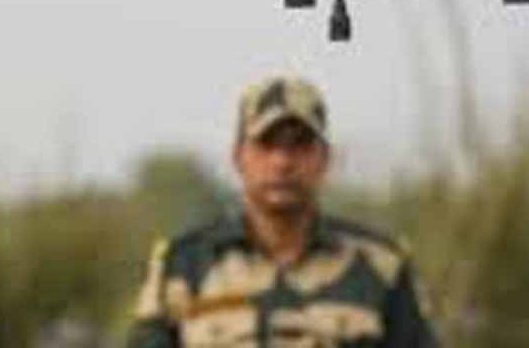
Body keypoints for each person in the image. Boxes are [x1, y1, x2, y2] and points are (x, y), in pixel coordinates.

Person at [126, 75, 438, 347]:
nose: (282, 162)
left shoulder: (380, 268)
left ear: (325, 159)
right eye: (266, 144)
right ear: (238, 157)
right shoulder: (183, 266)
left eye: (299, 145)